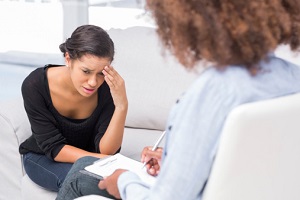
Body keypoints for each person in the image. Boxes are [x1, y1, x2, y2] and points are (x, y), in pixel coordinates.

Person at [56, 0, 300, 199]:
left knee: (80, 174)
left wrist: (124, 181)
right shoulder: (293, 78)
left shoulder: (213, 91)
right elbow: (252, 159)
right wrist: (175, 157)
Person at [18, 24, 128, 195]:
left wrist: (122, 105)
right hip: (44, 158)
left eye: (101, 73)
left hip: (92, 159)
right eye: (86, 71)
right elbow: (53, 148)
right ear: (68, 59)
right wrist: (101, 161)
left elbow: (106, 150)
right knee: (82, 183)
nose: (93, 82)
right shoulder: (35, 85)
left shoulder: (107, 88)